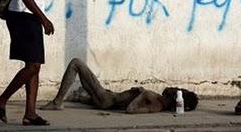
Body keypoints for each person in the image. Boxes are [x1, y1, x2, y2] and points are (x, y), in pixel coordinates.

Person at [41, 58, 199, 113]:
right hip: (110, 97)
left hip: (107, 100)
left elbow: (131, 110)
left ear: (175, 98)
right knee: (84, 91)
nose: (172, 88)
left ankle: (57, 102)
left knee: (76, 63)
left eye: (175, 90)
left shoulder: (156, 105)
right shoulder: (157, 98)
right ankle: (79, 97)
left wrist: (142, 94)